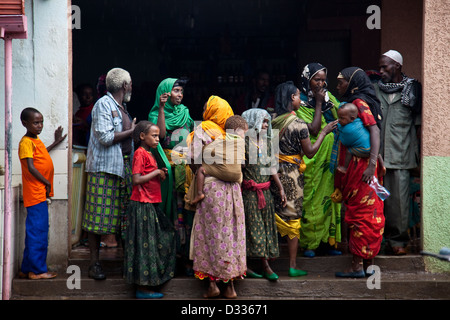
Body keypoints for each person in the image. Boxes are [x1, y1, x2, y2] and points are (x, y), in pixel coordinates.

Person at [271, 81, 337, 277]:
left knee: (273, 216)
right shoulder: (298, 124)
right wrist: (324, 133)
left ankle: (269, 264)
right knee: (292, 218)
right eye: (299, 96)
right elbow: (309, 152)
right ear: (292, 98)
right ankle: (292, 265)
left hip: (275, 173)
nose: (300, 99)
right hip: (292, 175)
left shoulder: (273, 121)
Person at [188, 95, 246, 299]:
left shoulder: (203, 131)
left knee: (211, 235)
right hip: (233, 192)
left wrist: (210, 167)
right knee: (231, 235)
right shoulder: (234, 136)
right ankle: (230, 287)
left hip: (212, 189)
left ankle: (212, 285)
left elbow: (194, 161)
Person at [82, 67, 136, 280]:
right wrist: (132, 131)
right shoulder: (103, 105)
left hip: (121, 167)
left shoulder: (121, 107)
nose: (131, 87)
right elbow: (105, 137)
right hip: (103, 169)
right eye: (130, 83)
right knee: (97, 219)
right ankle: (94, 264)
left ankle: (125, 264)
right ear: (125, 86)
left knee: (122, 217)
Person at [334, 67, 385, 277]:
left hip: (362, 168)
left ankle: (357, 265)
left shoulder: (358, 103)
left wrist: (372, 164)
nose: (337, 87)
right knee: (367, 211)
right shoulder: (353, 104)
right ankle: (366, 264)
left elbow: (374, 130)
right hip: (360, 167)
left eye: (340, 82)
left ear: (352, 82)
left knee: (362, 213)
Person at [375, 50, 421, 255]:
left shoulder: (412, 90)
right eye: (380, 67)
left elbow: (419, 127)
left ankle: (398, 242)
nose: (381, 71)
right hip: (377, 156)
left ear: (398, 67)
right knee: (375, 202)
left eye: (385, 67)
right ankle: (378, 240)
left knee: (398, 204)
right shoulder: (375, 90)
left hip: (401, 154)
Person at [148, 78, 195, 274]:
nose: (179, 95)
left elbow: (192, 135)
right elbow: (160, 133)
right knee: (171, 212)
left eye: (181, 91)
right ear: (165, 92)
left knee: (186, 211)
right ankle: (169, 259)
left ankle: (185, 258)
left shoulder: (184, 112)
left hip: (185, 169)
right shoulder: (155, 113)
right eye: (176, 90)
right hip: (167, 169)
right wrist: (161, 108)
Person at [124, 121, 176, 299]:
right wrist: (156, 173)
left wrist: (160, 173)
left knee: (157, 241)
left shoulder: (150, 154)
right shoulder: (139, 153)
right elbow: (136, 180)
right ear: (142, 137)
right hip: (142, 204)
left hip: (149, 203)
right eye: (153, 135)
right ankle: (143, 289)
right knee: (145, 246)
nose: (157, 139)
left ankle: (148, 285)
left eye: (157, 136)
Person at [296, 63, 342, 257]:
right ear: (307, 80)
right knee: (311, 200)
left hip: (329, 160)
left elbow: (344, 117)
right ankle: (309, 244)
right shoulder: (300, 103)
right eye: (317, 79)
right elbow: (313, 130)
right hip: (312, 159)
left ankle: (327, 243)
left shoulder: (329, 98)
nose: (321, 83)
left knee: (329, 198)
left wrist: (327, 103)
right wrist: (318, 103)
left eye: (323, 79)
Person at [18, 107, 67, 279]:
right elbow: (31, 167)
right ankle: (37, 271)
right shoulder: (25, 142)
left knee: (34, 231)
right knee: (38, 233)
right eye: (36, 122)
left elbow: (41, 154)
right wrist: (46, 181)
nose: (40, 126)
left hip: (39, 193)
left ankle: (26, 269)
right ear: (25, 124)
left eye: (41, 122)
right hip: (35, 193)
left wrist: (56, 142)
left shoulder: (34, 140)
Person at [241, 108, 286, 281]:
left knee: (266, 227)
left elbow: (271, 167)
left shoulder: (267, 143)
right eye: (263, 122)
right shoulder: (244, 143)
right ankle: (262, 266)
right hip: (250, 194)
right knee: (254, 228)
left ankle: (261, 264)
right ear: (253, 123)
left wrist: (280, 187)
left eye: (267, 122)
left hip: (265, 192)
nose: (266, 125)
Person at [189, 115, 248, 205]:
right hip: (236, 180)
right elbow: (242, 162)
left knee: (201, 170)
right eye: (244, 133)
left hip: (213, 184)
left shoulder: (220, 137)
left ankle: (199, 193)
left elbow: (198, 156)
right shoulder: (239, 142)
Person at [335, 102, 384, 174]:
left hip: (364, 150)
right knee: (377, 152)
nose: (339, 120)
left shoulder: (347, 130)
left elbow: (345, 142)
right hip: (372, 148)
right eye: (338, 117)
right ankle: (382, 165)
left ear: (352, 118)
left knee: (349, 151)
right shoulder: (359, 121)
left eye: (341, 118)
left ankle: (344, 168)